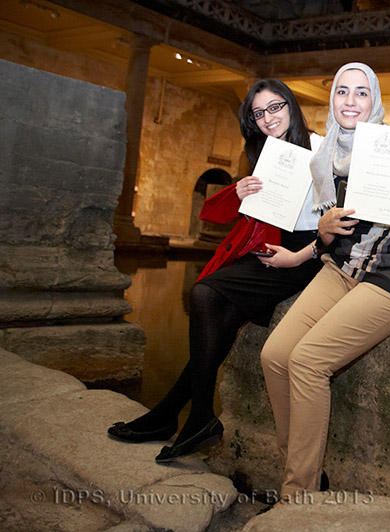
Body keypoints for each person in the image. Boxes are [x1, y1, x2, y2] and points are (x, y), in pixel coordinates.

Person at [259, 62, 390, 502]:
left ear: (374, 101)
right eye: (342, 91)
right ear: (332, 99)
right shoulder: (322, 157)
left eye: (361, 92)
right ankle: (303, 469)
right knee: (274, 355)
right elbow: (330, 237)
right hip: (342, 269)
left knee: (308, 361)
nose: (351, 101)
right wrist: (323, 229)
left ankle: (297, 495)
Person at [108, 79, 324, 463]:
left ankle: (185, 416)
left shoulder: (321, 149)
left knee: (206, 294)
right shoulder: (266, 153)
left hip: (306, 256)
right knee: (215, 310)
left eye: (275, 107)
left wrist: (297, 256)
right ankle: (179, 416)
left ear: (291, 105)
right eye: (258, 113)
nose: (268, 118)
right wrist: (241, 192)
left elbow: (339, 223)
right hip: (269, 250)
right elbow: (239, 214)